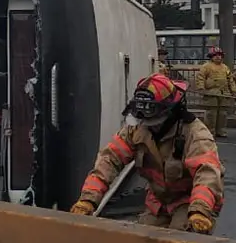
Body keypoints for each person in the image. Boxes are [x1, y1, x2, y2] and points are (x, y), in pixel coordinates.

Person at [69, 73, 225, 234]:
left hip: (188, 200)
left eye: (152, 121)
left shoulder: (195, 134)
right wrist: (88, 199)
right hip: (158, 201)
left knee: (182, 240)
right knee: (144, 240)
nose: (147, 125)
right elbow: (109, 159)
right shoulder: (137, 128)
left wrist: (199, 210)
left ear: (169, 112)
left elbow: (207, 173)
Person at [196, 46, 235, 138]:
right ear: (211, 57)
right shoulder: (206, 66)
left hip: (223, 93)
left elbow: (230, 79)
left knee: (223, 114)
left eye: (220, 55)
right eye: (215, 55)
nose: (218, 57)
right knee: (211, 114)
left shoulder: (225, 67)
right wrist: (201, 88)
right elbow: (200, 78)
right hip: (211, 93)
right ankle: (210, 131)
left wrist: (233, 90)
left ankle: (221, 131)